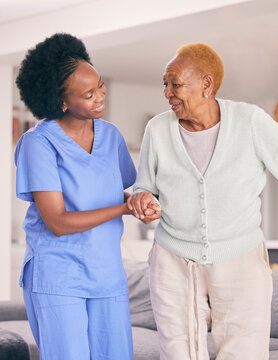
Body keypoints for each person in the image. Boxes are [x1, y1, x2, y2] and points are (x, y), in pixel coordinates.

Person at [128, 42, 278, 360]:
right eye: (165, 84)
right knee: (179, 352)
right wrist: (143, 199)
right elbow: (145, 188)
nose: (167, 93)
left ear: (206, 84)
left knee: (244, 350)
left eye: (175, 84)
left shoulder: (250, 122)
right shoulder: (158, 129)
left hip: (240, 256)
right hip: (173, 258)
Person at [14, 33, 151, 360]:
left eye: (100, 86)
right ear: (61, 101)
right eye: (89, 94)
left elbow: (120, 191)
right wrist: (124, 208)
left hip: (107, 274)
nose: (101, 96)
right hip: (58, 276)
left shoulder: (111, 135)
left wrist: (140, 201)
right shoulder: (39, 143)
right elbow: (57, 222)